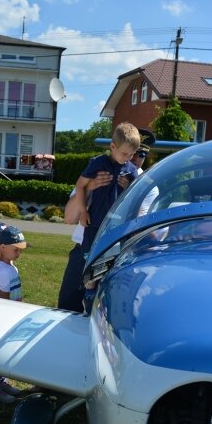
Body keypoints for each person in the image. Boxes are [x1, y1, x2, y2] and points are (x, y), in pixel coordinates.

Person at [58, 122, 141, 313]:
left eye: (134, 154)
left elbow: (138, 215)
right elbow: (69, 218)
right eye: (125, 153)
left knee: (105, 310)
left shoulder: (136, 176)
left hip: (113, 249)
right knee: (67, 307)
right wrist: (89, 190)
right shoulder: (97, 166)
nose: (130, 158)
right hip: (84, 247)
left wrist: (129, 190)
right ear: (113, 146)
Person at [0, 226, 28, 404]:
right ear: (2, 248)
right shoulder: (2, 271)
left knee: (3, 353)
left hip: (13, 315)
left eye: (20, 250)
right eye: (15, 249)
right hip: (3, 318)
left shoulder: (10, 268)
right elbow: (3, 300)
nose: (18, 253)